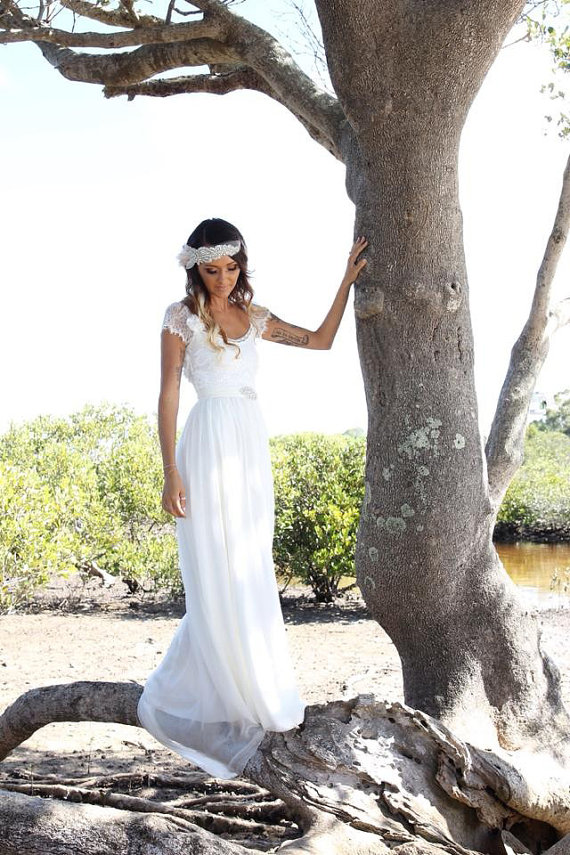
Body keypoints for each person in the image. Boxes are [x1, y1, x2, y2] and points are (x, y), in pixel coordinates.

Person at [137, 218, 368, 779]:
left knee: (248, 563)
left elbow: (320, 340)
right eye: (211, 269)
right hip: (205, 438)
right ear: (196, 266)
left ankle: (256, 689)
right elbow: (167, 394)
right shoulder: (180, 318)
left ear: (242, 263)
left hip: (247, 441)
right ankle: (214, 696)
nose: (221, 278)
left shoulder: (256, 318)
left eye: (231, 267)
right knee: (214, 567)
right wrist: (170, 471)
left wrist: (345, 282)